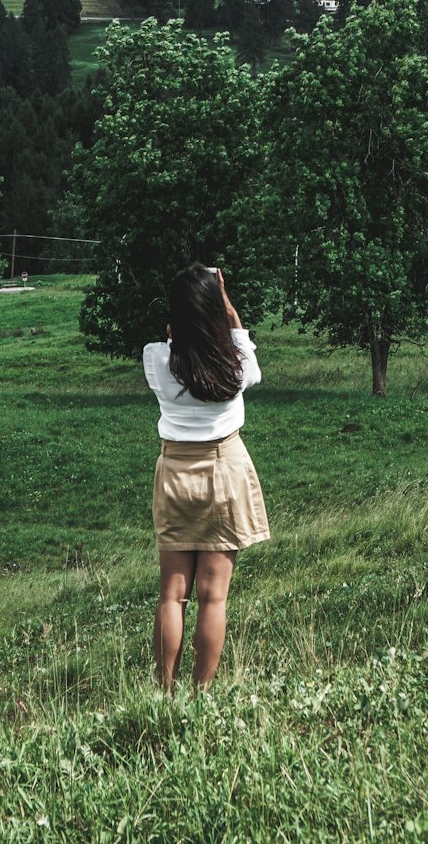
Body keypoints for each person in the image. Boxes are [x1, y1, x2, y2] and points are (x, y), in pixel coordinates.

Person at [142, 264, 269, 693]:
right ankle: (201, 695)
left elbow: (172, 341)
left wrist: (179, 324)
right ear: (215, 311)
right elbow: (237, 338)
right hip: (224, 469)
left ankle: (165, 691)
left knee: (171, 595)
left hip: (175, 471)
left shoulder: (156, 360)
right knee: (213, 598)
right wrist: (224, 303)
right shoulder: (237, 365)